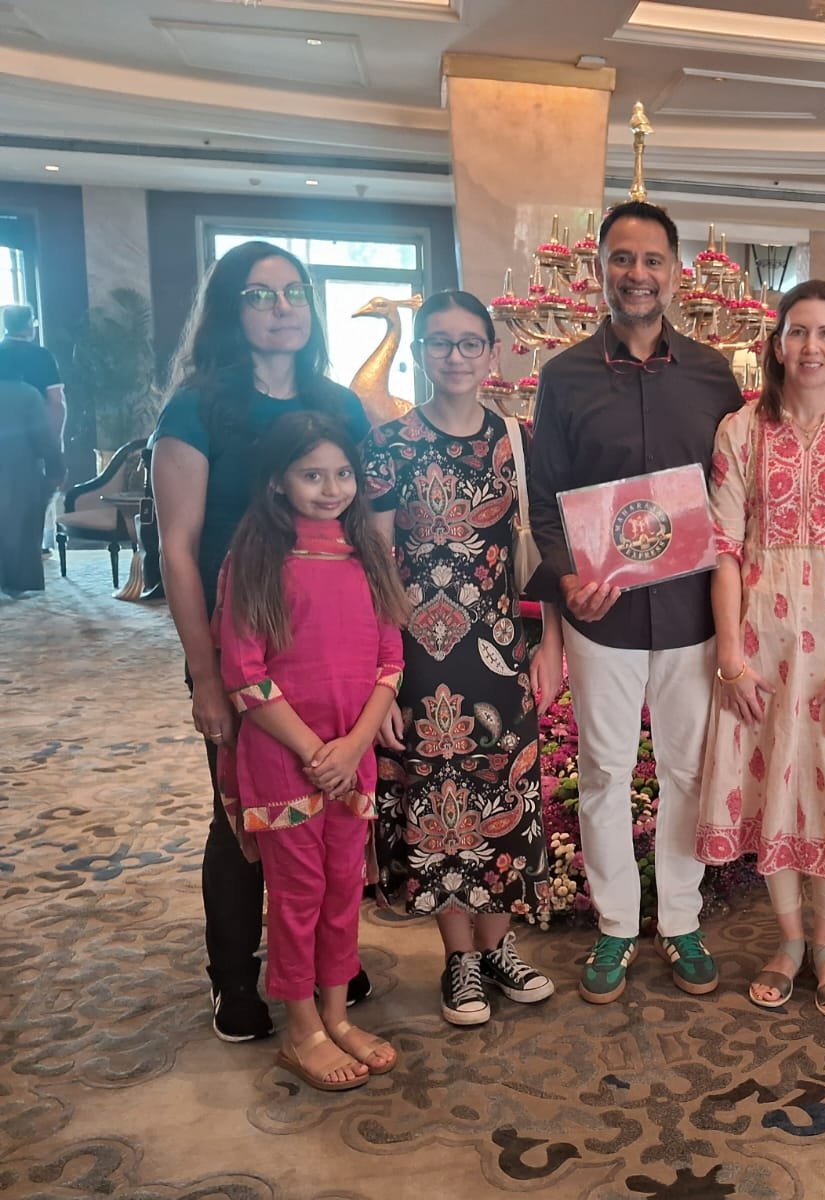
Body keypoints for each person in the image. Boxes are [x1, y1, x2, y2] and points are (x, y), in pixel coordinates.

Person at [151, 240, 372, 1042]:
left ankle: (322, 965)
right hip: (241, 647)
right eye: (260, 295)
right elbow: (178, 548)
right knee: (244, 812)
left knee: (332, 806)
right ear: (229, 309)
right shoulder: (197, 407)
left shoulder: (338, 405)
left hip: (330, 647)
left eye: (294, 292)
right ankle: (234, 977)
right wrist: (206, 676)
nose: (282, 309)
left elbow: (364, 525)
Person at [526, 201, 745, 1004]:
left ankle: (681, 918)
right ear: (600, 270)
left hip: (692, 613)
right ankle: (617, 925)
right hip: (603, 615)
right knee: (604, 771)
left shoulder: (714, 375)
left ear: (676, 273)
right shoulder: (565, 377)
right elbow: (544, 501)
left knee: (688, 770)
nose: (638, 274)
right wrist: (565, 578)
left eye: (653, 260)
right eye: (622, 258)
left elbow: (735, 493)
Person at [695, 280, 825, 1016]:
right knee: (771, 788)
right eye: (798, 332)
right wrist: (730, 656)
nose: (811, 346)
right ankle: (788, 941)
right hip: (762, 644)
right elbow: (722, 547)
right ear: (776, 344)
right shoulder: (740, 431)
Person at [363, 289, 562, 1026]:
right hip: (418, 658)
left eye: (469, 342)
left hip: (502, 651)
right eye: (440, 342)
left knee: (505, 796)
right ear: (419, 353)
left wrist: (552, 646)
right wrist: (382, 678)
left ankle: (499, 947)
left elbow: (547, 554)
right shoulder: (390, 445)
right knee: (438, 806)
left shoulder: (518, 441)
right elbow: (376, 568)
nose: (455, 356)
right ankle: (460, 960)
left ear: (491, 352)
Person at [213, 412, 406, 1090]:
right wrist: (316, 752)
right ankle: (301, 1030)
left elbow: (390, 661)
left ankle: (335, 1014)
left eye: (343, 474)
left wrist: (352, 747)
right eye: (312, 475)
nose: (332, 489)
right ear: (277, 482)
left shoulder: (369, 556)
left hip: (352, 760)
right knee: (298, 895)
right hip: (283, 759)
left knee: (344, 888)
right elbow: (244, 673)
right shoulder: (255, 559)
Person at [0, 305, 67, 554]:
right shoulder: (41, 357)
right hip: (32, 442)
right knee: (32, 504)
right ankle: (31, 552)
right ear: (29, 325)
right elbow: (56, 404)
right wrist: (54, 445)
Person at [0, 379, 62, 594]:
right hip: (19, 475)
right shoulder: (27, 394)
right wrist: (56, 471)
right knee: (22, 539)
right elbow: (44, 438)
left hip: (18, 475)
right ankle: (21, 590)